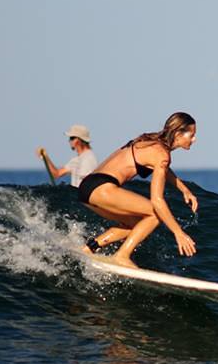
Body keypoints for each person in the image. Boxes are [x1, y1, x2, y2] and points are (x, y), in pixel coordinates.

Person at [78, 112, 199, 267]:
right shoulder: (162, 155)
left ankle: (90, 248)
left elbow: (162, 168)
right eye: (192, 135)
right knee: (155, 213)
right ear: (178, 133)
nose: (194, 139)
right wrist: (178, 232)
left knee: (137, 225)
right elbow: (157, 200)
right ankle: (122, 256)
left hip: (88, 187)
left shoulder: (150, 141)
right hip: (102, 187)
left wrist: (184, 190)